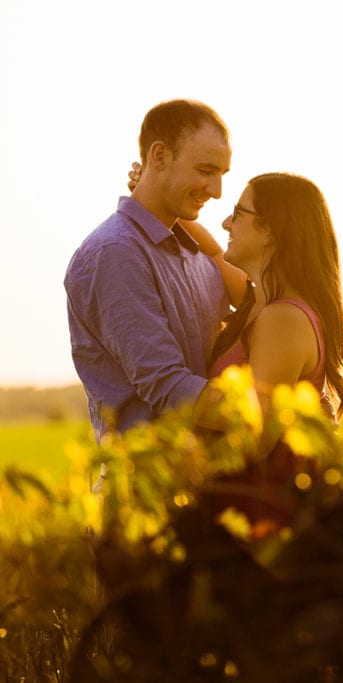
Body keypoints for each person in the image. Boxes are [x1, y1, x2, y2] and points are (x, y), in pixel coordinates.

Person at [65, 100, 234, 464]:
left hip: (204, 492)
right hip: (142, 498)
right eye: (206, 170)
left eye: (222, 173)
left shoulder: (201, 256)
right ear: (159, 155)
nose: (218, 190)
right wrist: (273, 416)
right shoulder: (114, 253)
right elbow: (169, 387)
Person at [200, 172, 343, 535]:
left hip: (259, 521)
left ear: (269, 230)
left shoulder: (281, 319)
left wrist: (172, 398)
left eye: (237, 213)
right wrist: (150, 193)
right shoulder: (259, 302)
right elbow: (209, 248)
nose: (226, 222)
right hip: (246, 510)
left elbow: (255, 436)